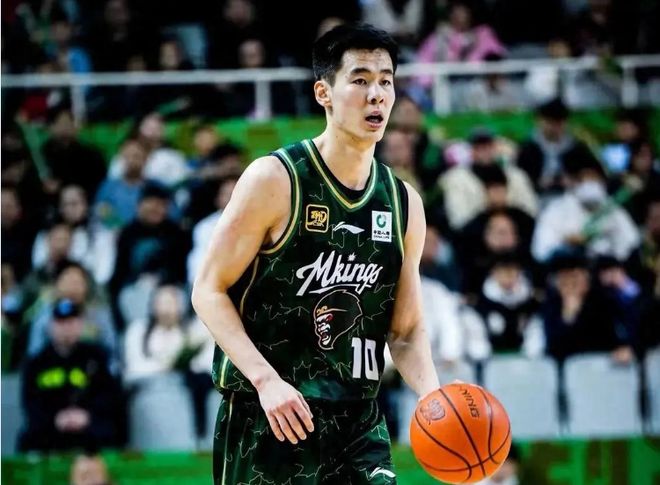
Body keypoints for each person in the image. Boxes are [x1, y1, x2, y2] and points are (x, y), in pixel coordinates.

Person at [192, 23, 439, 485]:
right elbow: (208, 290)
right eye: (360, 80)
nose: (376, 94)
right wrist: (265, 380)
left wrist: (432, 397)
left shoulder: (404, 203)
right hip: (271, 415)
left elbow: (404, 331)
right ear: (323, 92)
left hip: (358, 422)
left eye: (386, 81)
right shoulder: (275, 179)